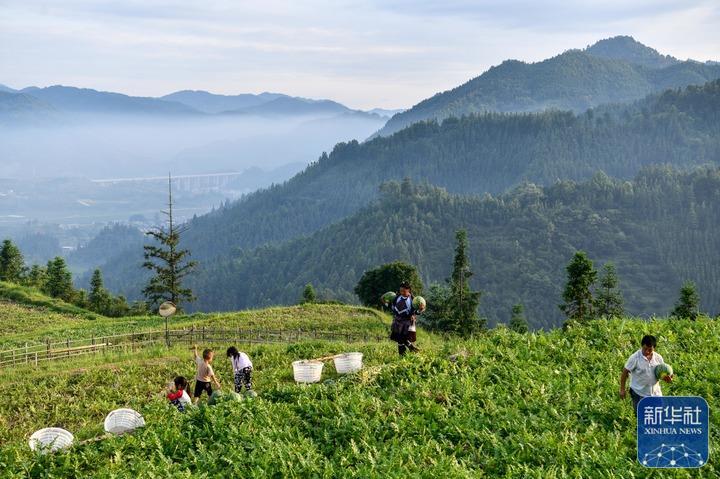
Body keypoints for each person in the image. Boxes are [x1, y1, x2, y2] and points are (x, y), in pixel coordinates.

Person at [620, 335, 673, 416]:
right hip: (639, 392)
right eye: (645, 349)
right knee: (641, 416)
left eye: (650, 350)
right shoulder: (635, 358)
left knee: (658, 415)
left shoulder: (658, 358)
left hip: (655, 393)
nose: (647, 351)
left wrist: (668, 378)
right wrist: (622, 389)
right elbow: (624, 372)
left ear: (654, 348)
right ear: (642, 346)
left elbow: (663, 372)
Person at [389, 281, 423, 356]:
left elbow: (416, 312)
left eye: (404, 291)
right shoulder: (397, 297)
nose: (402, 292)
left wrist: (420, 310)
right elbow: (393, 307)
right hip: (397, 321)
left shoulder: (413, 300)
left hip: (407, 321)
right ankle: (403, 355)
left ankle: (411, 348)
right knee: (399, 340)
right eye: (401, 290)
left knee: (403, 337)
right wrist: (386, 302)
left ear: (409, 290)